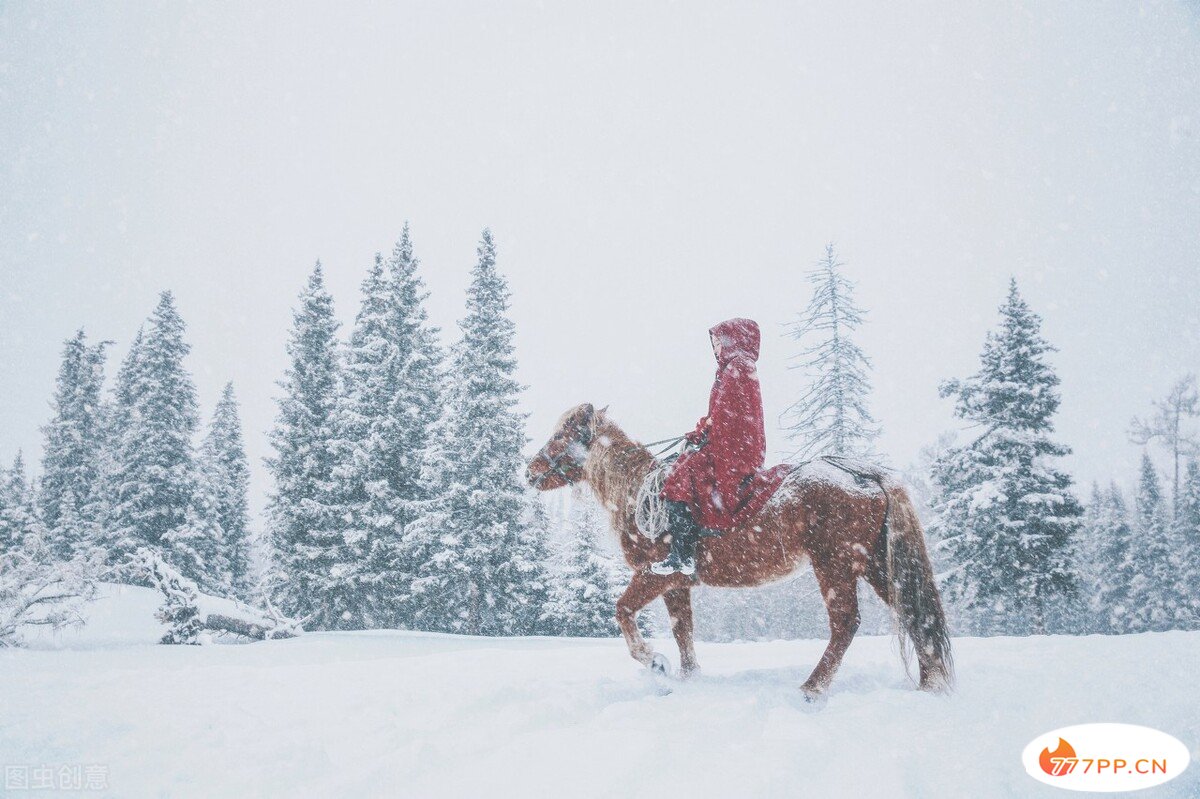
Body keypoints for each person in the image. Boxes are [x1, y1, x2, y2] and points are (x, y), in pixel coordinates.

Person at [652, 318, 767, 576]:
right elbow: (723, 414)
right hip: (734, 445)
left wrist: (705, 429)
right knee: (684, 467)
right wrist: (704, 428)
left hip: (732, 450)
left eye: (718, 343)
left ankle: (682, 554)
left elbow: (724, 414)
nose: (715, 349)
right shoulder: (736, 368)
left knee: (678, 477)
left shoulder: (737, 368)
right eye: (714, 344)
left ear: (733, 341)